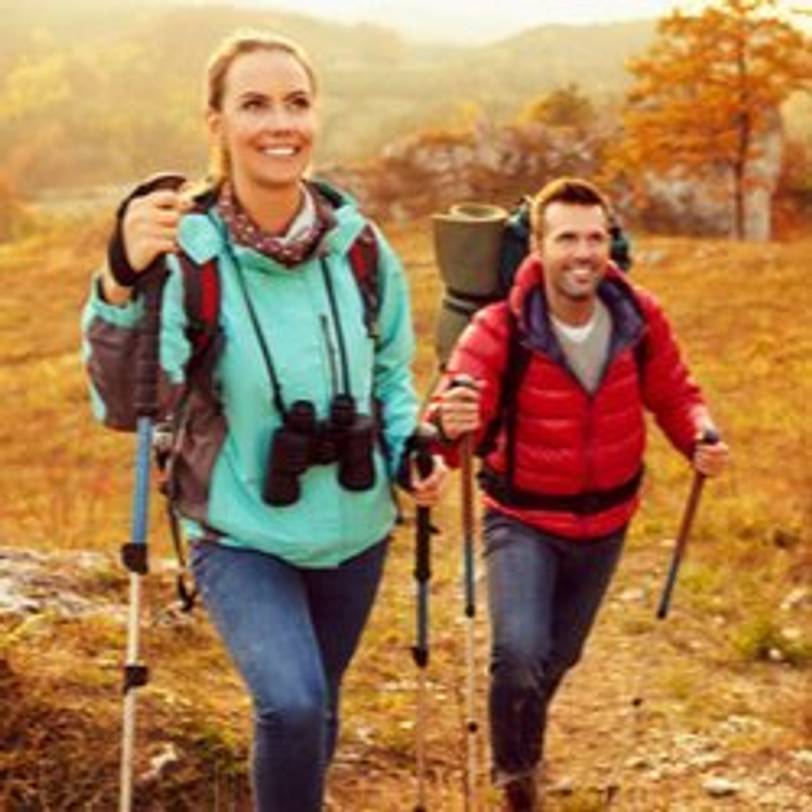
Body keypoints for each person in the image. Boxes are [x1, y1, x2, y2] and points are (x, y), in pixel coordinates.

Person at [82, 29, 445, 812]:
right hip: (241, 531)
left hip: (356, 528)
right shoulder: (187, 251)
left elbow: (389, 371)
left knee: (322, 700)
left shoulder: (361, 246)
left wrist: (409, 442)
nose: (280, 123)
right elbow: (126, 406)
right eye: (254, 104)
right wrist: (118, 280)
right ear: (215, 123)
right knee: (294, 703)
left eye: (297, 103)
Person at [428, 177, 729, 811]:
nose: (584, 253)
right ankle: (517, 780)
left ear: (611, 245)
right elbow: (456, 408)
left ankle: (521, 738)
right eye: (567, 237)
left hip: (608, 520)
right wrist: (444, 432)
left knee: (558, 657)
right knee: (517, 655)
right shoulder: (499, 327)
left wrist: (699, 433)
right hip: (522, 519)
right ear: (538, 246)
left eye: (596, 238)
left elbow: (675, 393)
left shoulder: (638, 315)